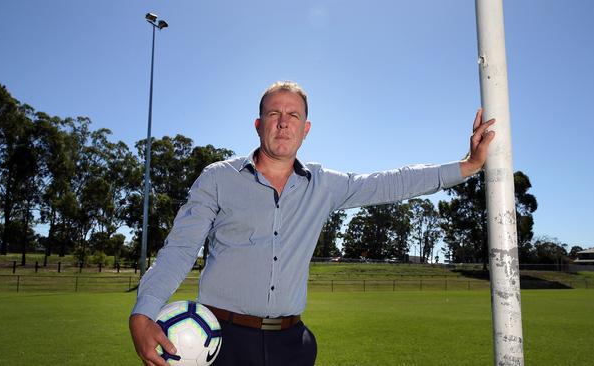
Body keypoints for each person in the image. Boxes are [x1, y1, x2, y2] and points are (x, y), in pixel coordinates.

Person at [129, 81, 495, 366]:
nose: (283, 122)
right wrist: (144, 311)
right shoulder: (217, 178)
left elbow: (391, 182)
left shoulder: (325, 185)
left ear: (306, 128)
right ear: (259, 125)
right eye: (274, 114)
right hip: (223, 341)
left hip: (292, 345)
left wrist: (467, 165)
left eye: (293, 115)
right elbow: (179, 249)